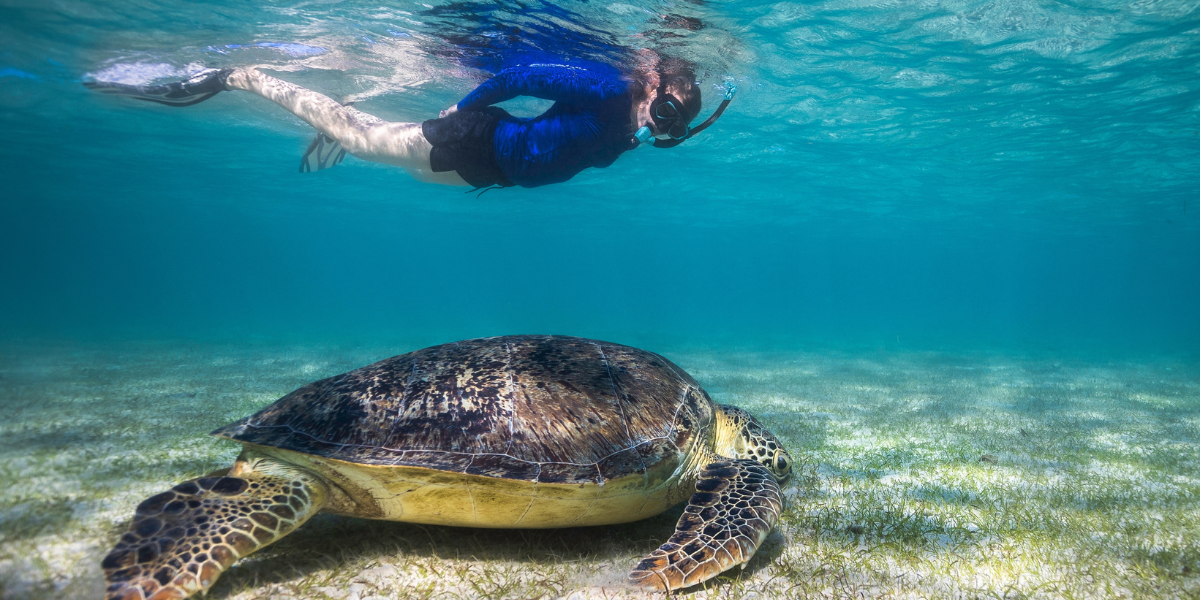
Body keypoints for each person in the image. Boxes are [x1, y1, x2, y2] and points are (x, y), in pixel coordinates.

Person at [84, 57, 736, 190]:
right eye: (667, 112)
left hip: (487, 172)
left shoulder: (638, 124)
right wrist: (461, 105)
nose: (665, 129)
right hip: (474, 141)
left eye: (677, 127)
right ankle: (234, 75)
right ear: (651, 84)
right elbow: (523, 74)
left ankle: (338, 135)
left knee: (370, 147)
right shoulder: (604, 87)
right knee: (362, 139)